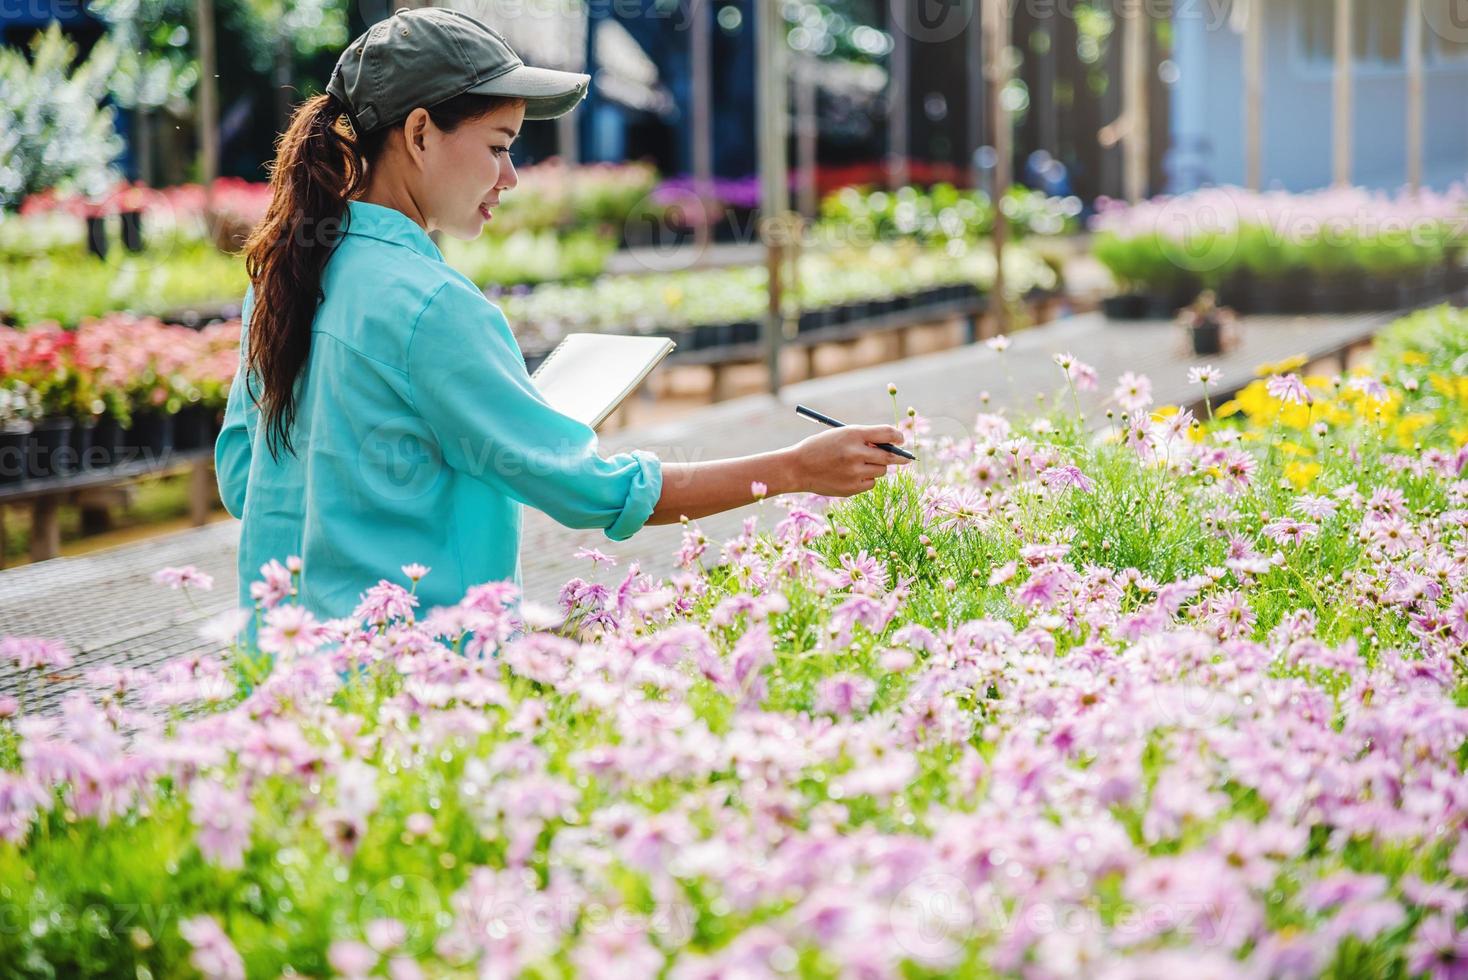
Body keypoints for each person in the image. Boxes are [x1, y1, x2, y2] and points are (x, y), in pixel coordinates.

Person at [215, 7, 910, 622]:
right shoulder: (433, 307)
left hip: (283, 676)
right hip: (408, 689)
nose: (511, 178)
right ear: (419, 133)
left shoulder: (282, 277)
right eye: (498, 146)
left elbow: (245, 479)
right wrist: (796, 469)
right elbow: (592, 493)